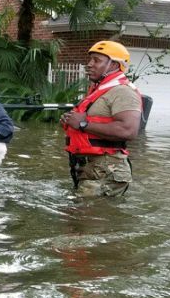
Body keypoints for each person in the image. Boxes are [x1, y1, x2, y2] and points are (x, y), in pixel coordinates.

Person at [60, 40, 143, 197]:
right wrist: (70, 121)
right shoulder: (99, 90)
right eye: (90, 59)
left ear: (114, 65)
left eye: (97, 60)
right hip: (91, 168)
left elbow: (129, 130)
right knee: (78, 218)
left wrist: (83, 123)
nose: (90, 64)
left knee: (84, 218)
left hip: (107, 170)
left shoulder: (123, 92)